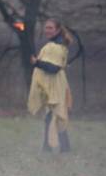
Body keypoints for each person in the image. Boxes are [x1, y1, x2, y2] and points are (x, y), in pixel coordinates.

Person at [28, 18, 73, 152]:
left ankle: (56, 148)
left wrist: (37, 63)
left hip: (56, 85)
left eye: (50, 28)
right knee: (52, 116)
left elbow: (54, 68)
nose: (47, 30)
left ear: (58, 30)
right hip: (51, 85)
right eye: (46, 27)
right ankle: (55, 147)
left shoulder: (57, 47)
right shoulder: (52, 45)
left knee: (57, 115)